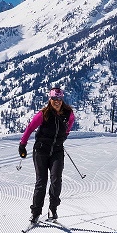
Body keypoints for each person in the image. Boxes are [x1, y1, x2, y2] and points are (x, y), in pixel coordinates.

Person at [19, 87, 75, 223]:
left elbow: (69, 127)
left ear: (62, 99)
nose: (57, 101)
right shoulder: (43, 114)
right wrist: (22, 144)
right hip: (41, 151)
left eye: (59, 99)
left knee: (56, 179)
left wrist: (62, 138)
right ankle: (36, 212)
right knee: (41, 182)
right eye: (54, 98)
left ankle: (52, 209)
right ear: (49, 99)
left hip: (57, 151)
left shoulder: (68, 114)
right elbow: (30, 128)